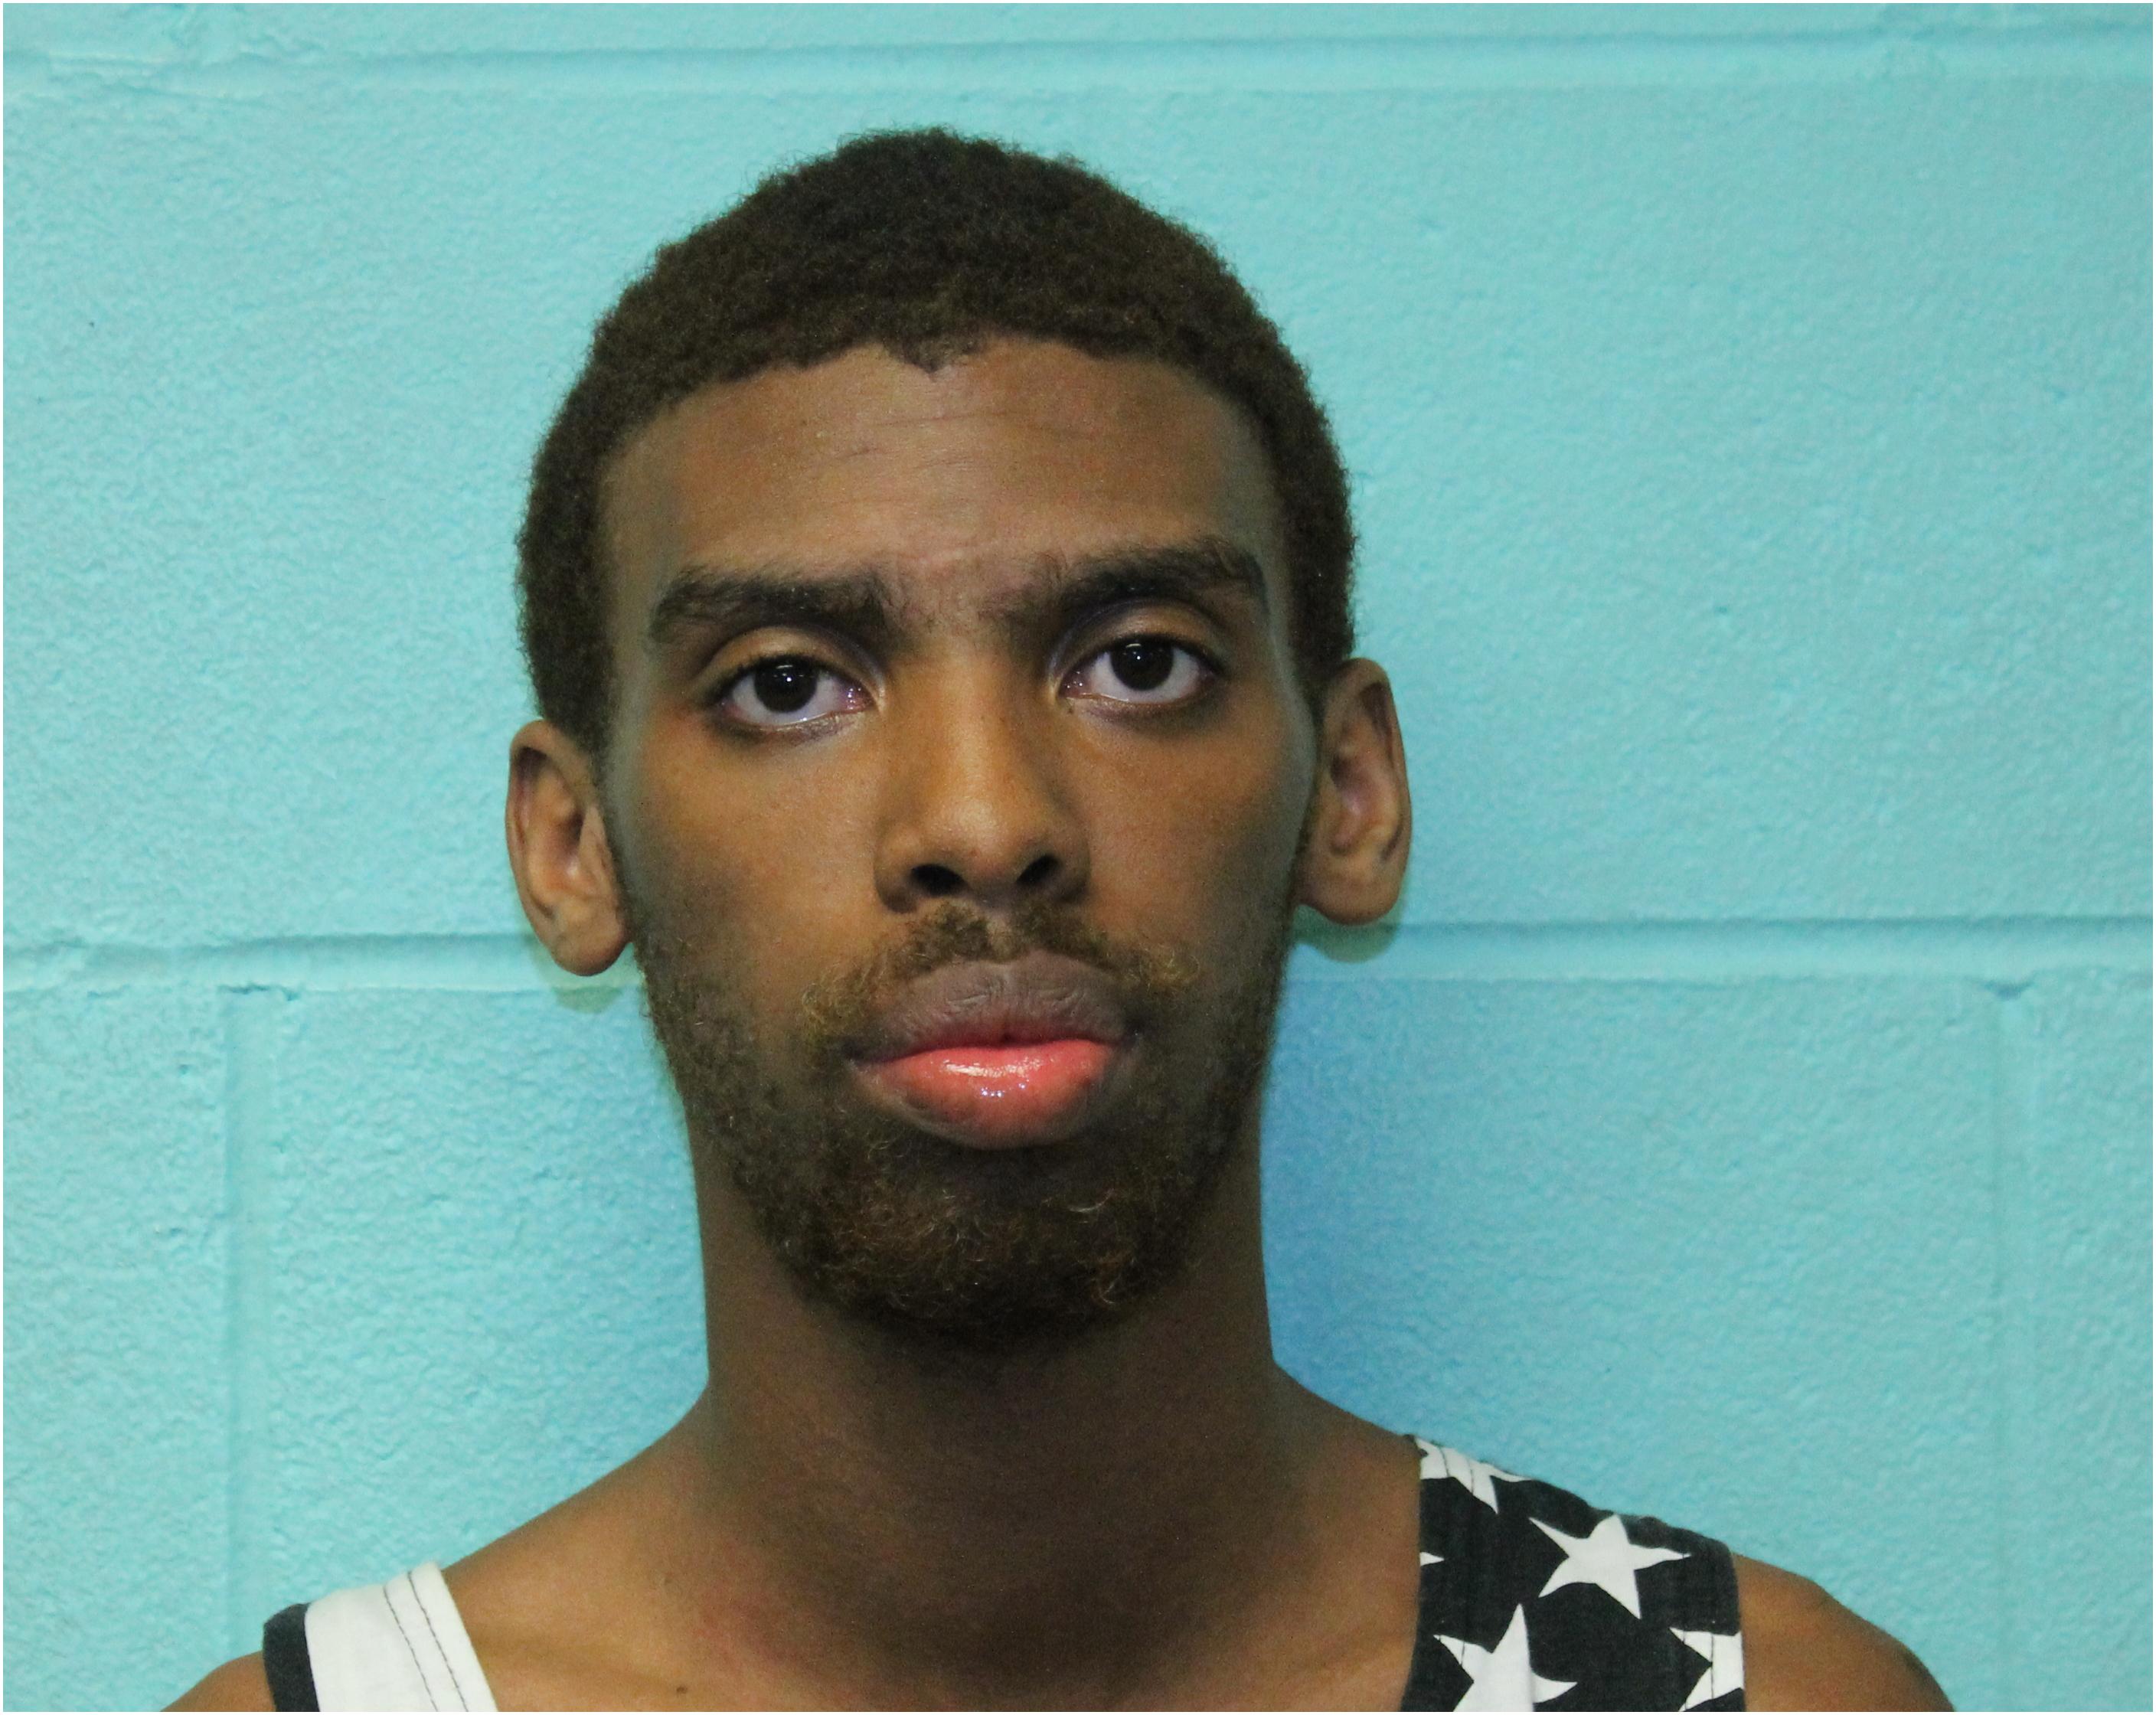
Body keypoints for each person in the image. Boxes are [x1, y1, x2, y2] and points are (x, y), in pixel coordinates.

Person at [175, 129, 1947, 1712]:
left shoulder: (1735, 1700)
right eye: (787, 683)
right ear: (574, 848)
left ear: (1347, 792)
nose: (985, 822)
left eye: (1138, 664)